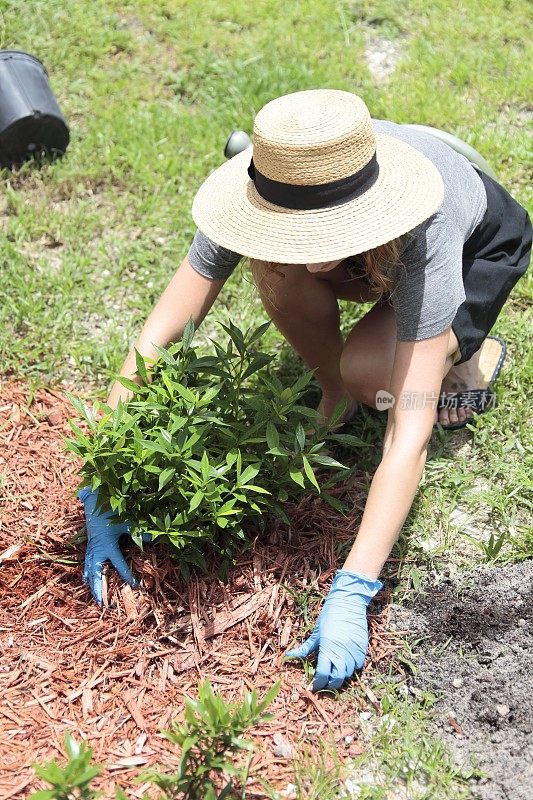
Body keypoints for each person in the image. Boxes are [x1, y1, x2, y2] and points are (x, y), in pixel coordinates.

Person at [79, 89, 531, 691]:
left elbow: (409, 435)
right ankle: (333, 391)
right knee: (280, 273)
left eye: (321, 237)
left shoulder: (428, 229)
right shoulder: (269, 183)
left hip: (474, 249)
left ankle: (468, 360)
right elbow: (159, 334)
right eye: (297, 234)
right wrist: (105, 474)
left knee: (379, 382)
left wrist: (355, 587)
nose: (315, 264)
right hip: (374, 248)